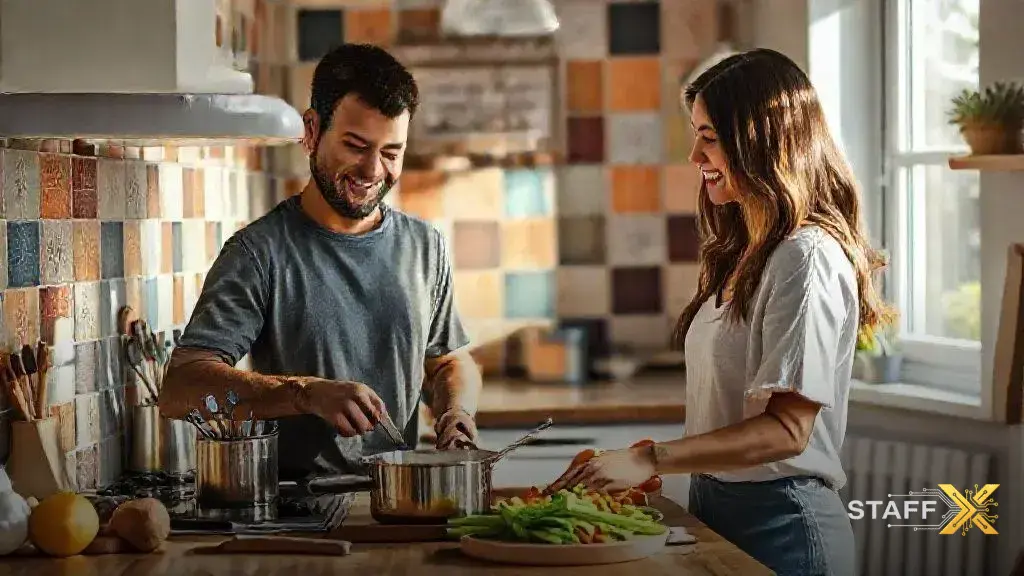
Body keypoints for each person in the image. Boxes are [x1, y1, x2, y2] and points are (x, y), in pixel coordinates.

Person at [545, 48, 891, 576]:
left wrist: (649, 458)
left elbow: (787, 431)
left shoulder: (807, 257)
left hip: (785, 527)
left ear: (761, 141)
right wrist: (640, 463)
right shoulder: (749, 252)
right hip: (713, 507)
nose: (694, 156)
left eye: (708, 137)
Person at [158, 43, 483, 480]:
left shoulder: (425, 247)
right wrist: (305, 393)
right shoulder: (259, 252)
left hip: (397, 501)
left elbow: (448, 362)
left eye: (391, 153)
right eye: (355, 146)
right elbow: (180, 389)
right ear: (311, 131)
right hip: (297, 507)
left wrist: (456, 411)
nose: (373, 170)